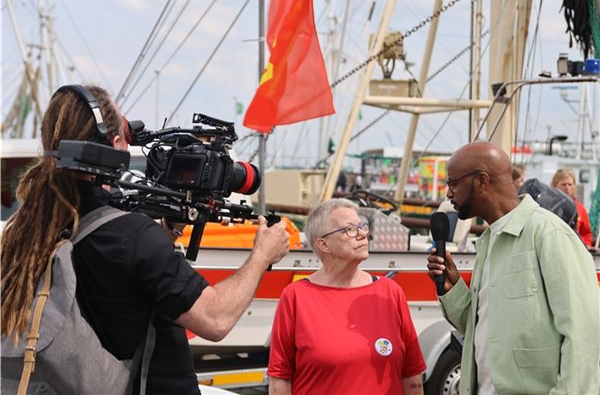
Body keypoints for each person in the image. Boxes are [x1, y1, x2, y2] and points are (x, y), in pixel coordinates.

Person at [0, 84, 290, 394]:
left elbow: (120, 276)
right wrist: (262, 255)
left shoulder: (33, 226)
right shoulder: (132, 235)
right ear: (115, 145)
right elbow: (215, 319)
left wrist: (169, 230)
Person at [426, 141, 600, 394]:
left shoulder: (548, 234)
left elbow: (585, 334)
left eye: (453, 183)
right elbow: (482, 329)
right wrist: (453, 289)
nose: (448, 194)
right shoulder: (489, 240)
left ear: (482, 181)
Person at [268, 198, 426, 395]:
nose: (362, 234)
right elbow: (280, 381)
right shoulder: (295, 297)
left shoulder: (390, 292)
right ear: (323, 244)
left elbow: (412, 378)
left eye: (362, 226)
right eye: (350, 229)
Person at [551, 168, 594, 247]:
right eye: (563, 184)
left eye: (570, 184)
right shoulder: (548, 206)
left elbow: (586, 233)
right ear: (555, 185)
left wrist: (586, 245)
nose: (567, 188)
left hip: (575, 249)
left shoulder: (580, 208)